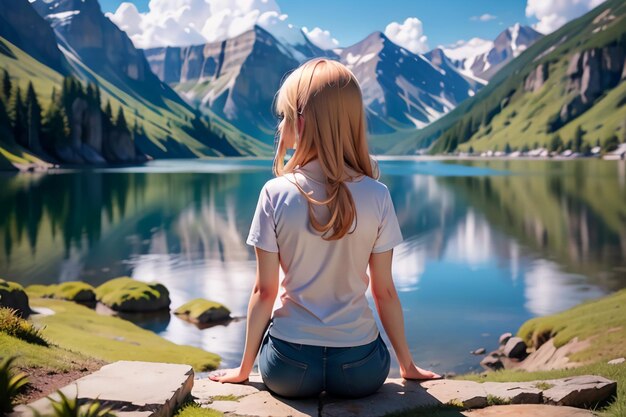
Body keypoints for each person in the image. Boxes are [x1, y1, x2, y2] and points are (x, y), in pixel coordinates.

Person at [209, 58, 440, 398]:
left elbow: (264, 292)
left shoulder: (275, 193)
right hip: (360, 368)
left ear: (302, 122)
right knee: (369, 349)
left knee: (280, 352)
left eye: (285, 115)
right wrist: (406, 365)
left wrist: (245, 370)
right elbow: (384, 292)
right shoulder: (378, 195)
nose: (282, 124)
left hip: (288, 366)